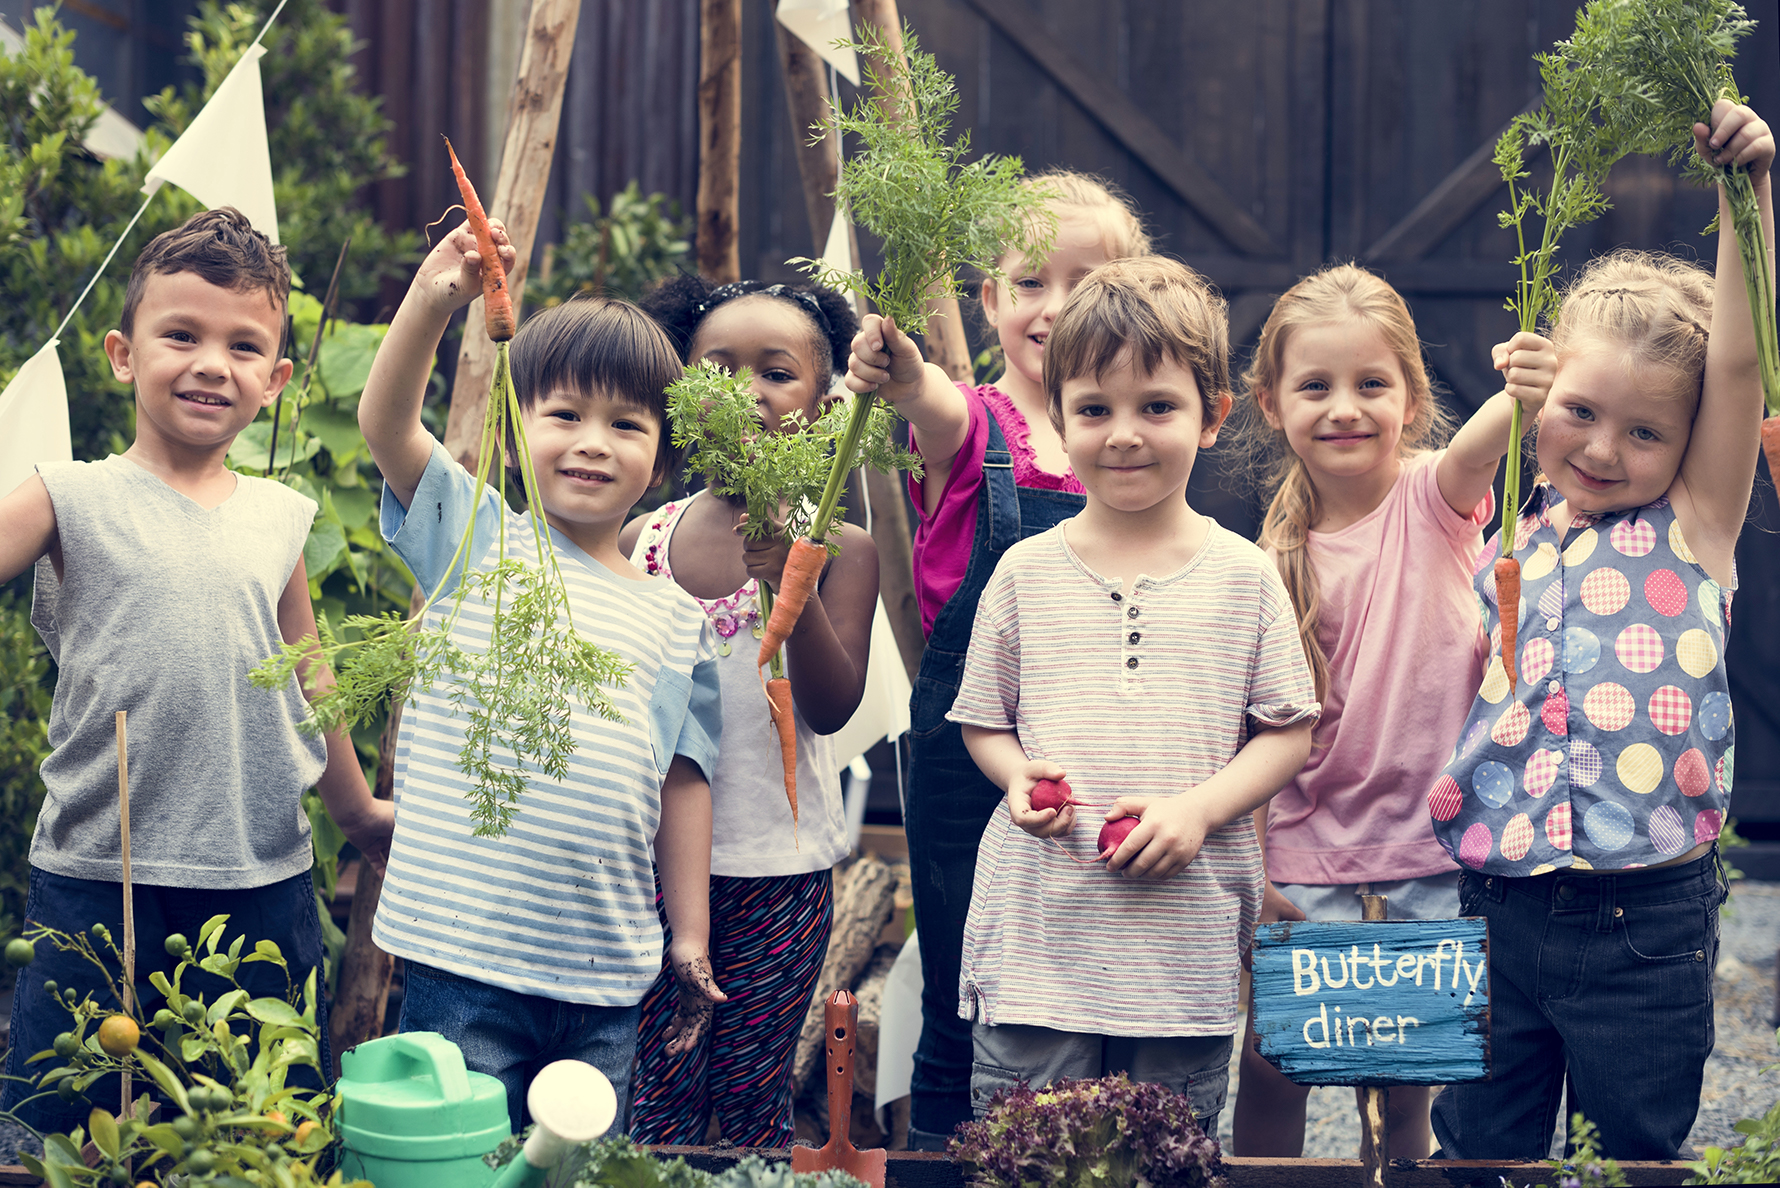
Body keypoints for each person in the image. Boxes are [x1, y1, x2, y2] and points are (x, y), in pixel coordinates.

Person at [1428, 100, 1773, 1161]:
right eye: (1579, 412)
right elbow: (1457, 469)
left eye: (1645, 431)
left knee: (1632, 1148)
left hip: (1643, 918)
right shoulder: (1514, 531)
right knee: (1479, 1143)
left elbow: (1736, 368)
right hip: (1496, 898)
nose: (1605, 448)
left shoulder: (1692, 527)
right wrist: (1515, 396)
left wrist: (1745, 197)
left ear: (1688, 443)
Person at [0, 208, 392, 1131]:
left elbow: (312, 675)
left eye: (244, 345)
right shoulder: (70, 494)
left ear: (275, 381)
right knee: (68, 1124)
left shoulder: (280, 516)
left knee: (263, 1130)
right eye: (181, 334)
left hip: (261, 876)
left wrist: (356, 810)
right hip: (98, 873)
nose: (213, 362)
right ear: (122, 354)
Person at [357, 218, 724, 1129]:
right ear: (519, 423)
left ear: (662, 458)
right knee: (458, 1156)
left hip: (605, 971)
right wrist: (436, 298)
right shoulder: (475, 539)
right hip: (465, 954)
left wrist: (689, 938)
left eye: (625, 424)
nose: (593, 442)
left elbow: (686, 782)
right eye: (564, 415)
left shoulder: (678, 619)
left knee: (577, 1164)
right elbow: (384, 420)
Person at [946, 255, 1319, 1135]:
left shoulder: (1244, 576)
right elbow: (984, 721)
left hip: (1179, 949)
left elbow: (1285, 733)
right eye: (1094, 409)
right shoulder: (1024, 572)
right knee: (1028, 1146)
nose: (1124, 434)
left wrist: (1197, 810)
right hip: (1038, 934)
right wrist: (1013, 777)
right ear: (1059, 418)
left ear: (1214, 416)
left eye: (1157, 407)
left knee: (1163, 1150)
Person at [845, 170, 1151, 1147]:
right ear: (988, 301)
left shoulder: (1132, 439)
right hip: (966, 756)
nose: (1054, 306)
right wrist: (900, 372)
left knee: (1090, 988)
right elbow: (930, 403)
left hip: (1101, 749)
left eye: (1086, 278)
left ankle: (1086, 1157)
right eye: (1028, 283)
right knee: (960, 994)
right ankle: (942, 1159)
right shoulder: (979, 424)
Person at [1227, 264, 1556, 1158]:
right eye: (1316, 386)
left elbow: (1490, 438)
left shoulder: (1433, 499)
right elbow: (1258, 733)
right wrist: (1261, 878)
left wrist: (1530, 377)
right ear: (1270, 403)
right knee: (1273, 1064)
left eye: (1373, 384)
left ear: (1411, 400)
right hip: (1307, 857)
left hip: (1426, 846)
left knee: (1402, 1071)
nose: (1346, 407)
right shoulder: (1269, 555)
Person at [618, 276, 879, 1145]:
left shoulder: (842, 548)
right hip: (644, 870)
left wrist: (786, 578)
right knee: (653, 1092)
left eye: (777, 373)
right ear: (681, 392)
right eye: (719, 371)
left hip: (779, 870)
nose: (747, 395)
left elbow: (833, 708)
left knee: (746, 1094)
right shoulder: (638, 541)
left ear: (823, 399)